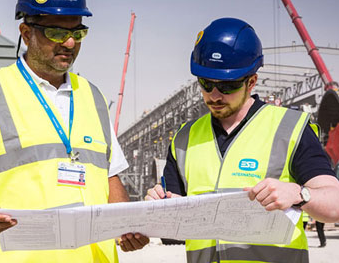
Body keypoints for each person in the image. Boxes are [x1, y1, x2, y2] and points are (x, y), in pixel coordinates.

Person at [0, 0, 148, 261]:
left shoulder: (93, 97)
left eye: (78, 32)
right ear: (26, 34)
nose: (70, 43)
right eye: (56, 32)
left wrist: (128, 226)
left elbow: (110, 178)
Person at [145, 17, 339, 263]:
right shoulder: (184, 139)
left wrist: (300, 194)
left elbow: (335, 203)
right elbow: (173, 233)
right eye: (206, 84)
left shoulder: (290, 129)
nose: (215, 95)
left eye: (227, 86)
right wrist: (156, 210)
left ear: (251, 82)